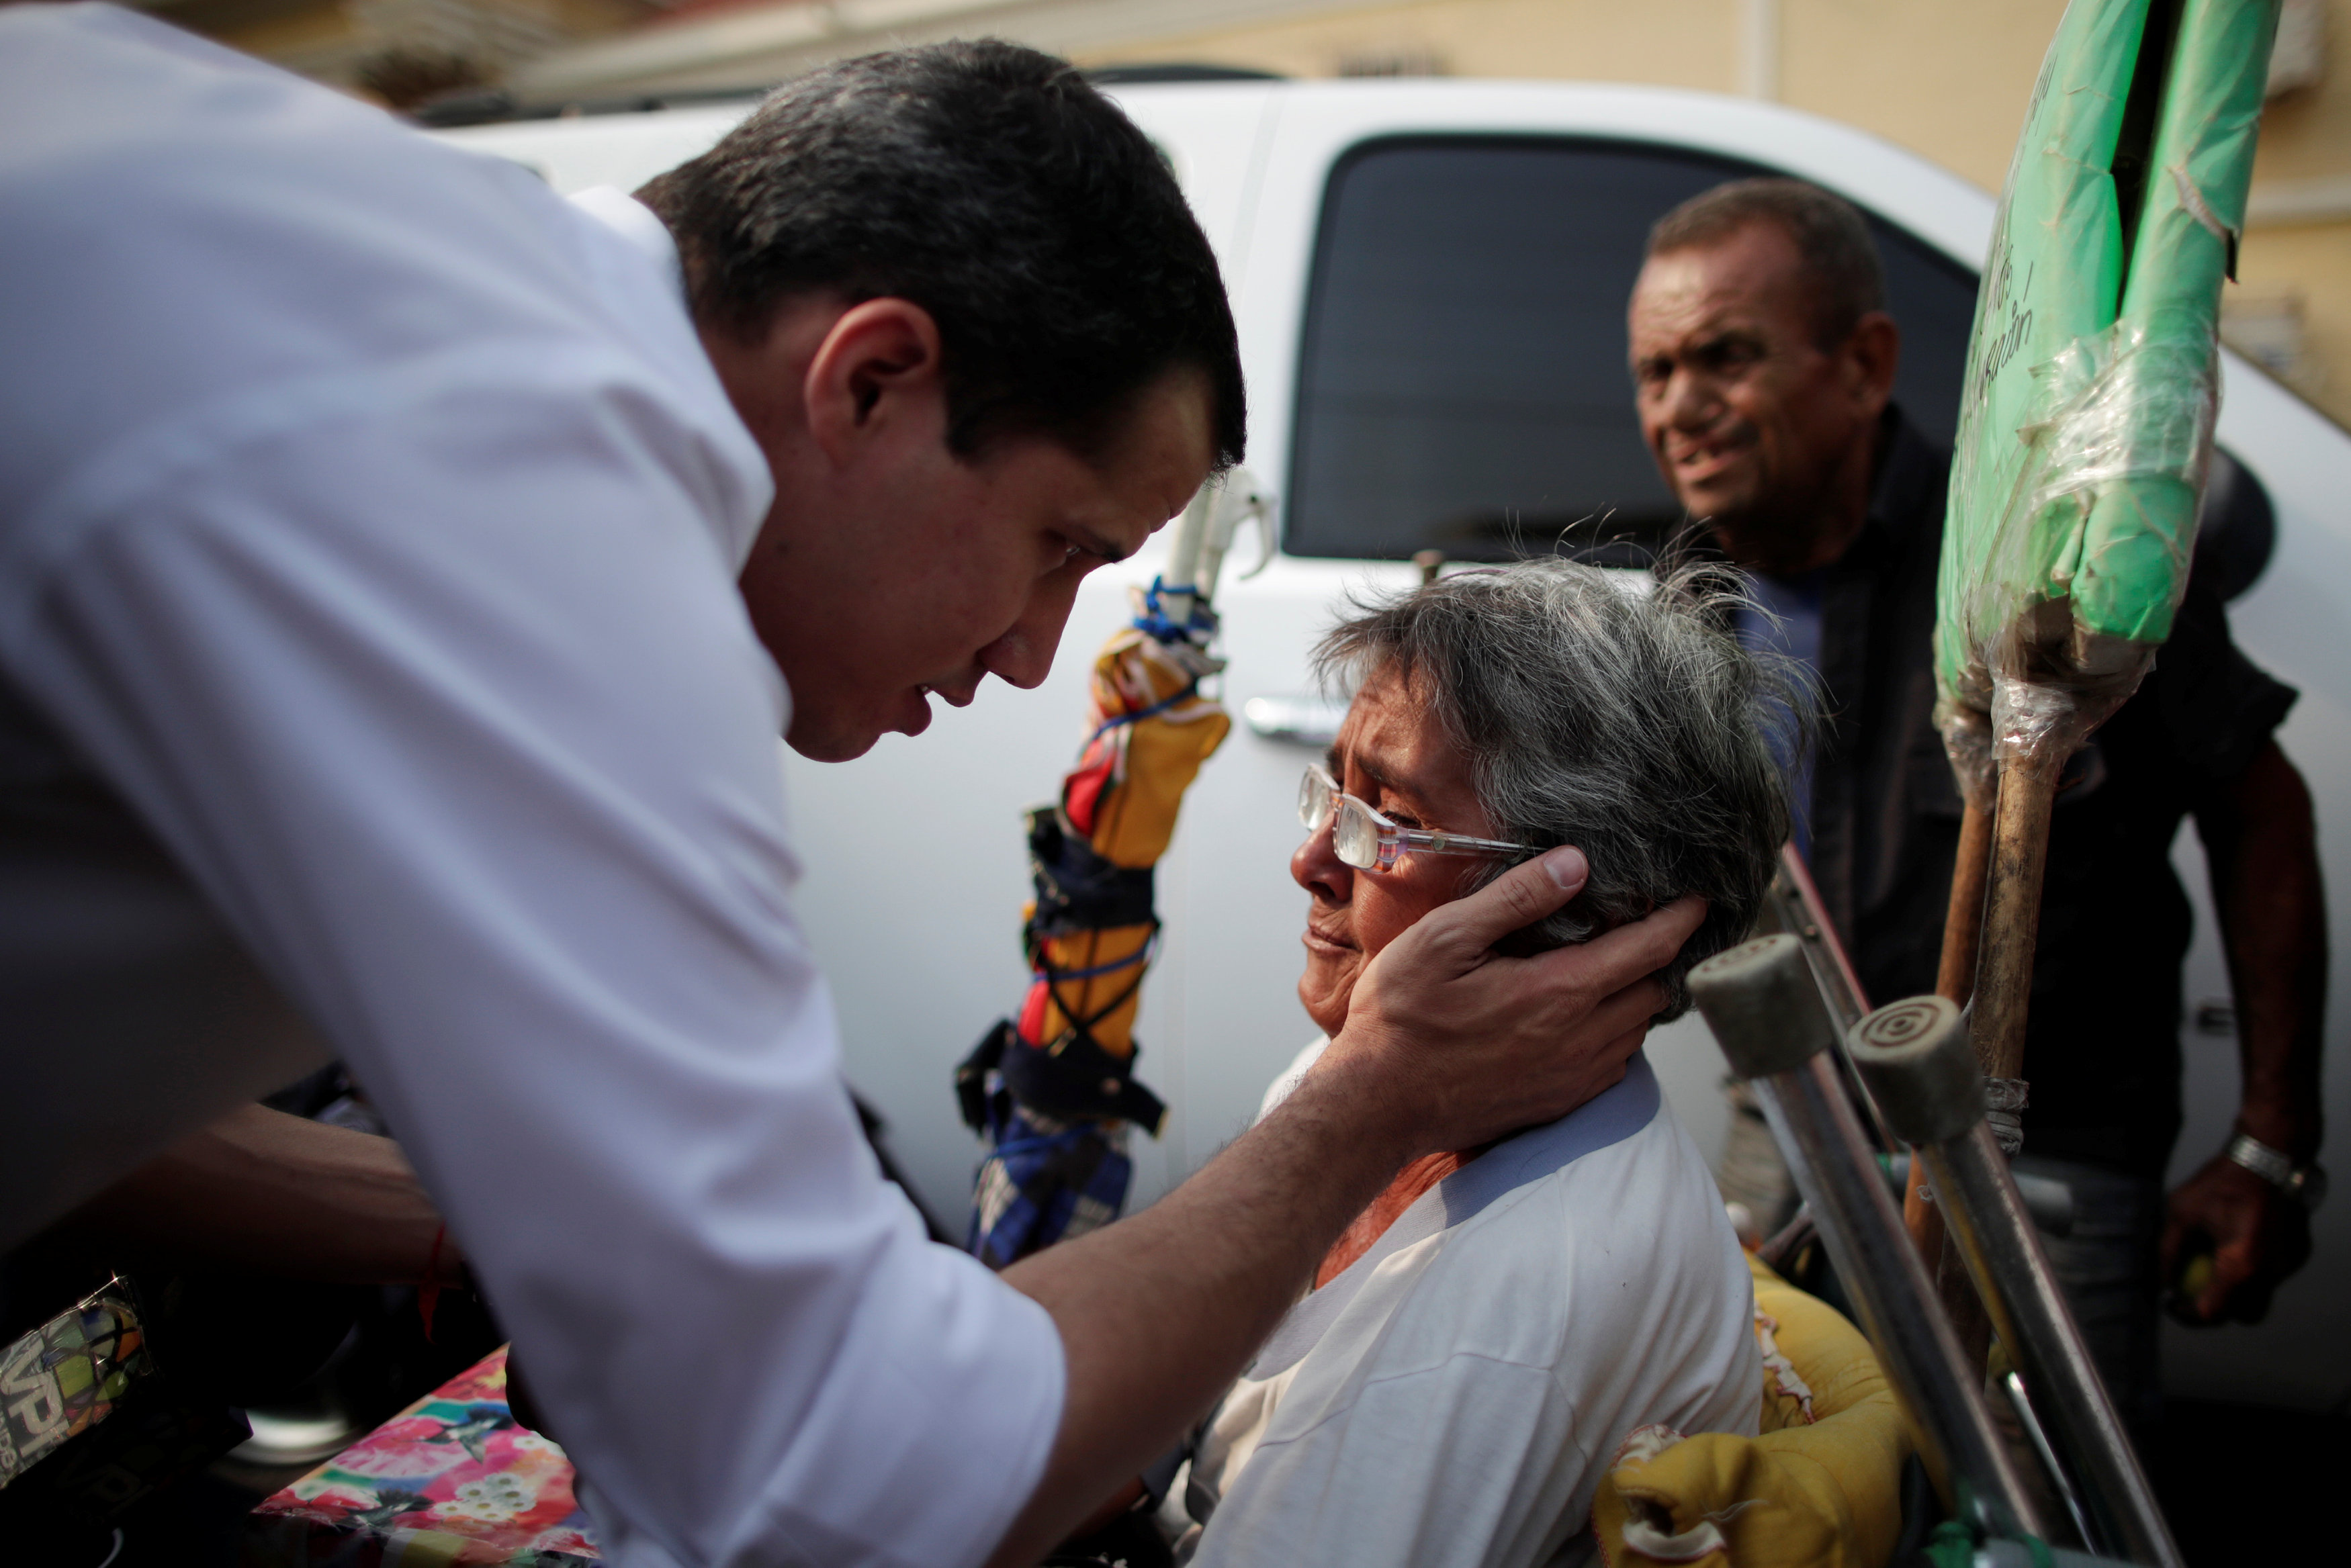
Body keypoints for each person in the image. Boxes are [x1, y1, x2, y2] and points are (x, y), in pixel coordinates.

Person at [0, 10, 1707, 1565]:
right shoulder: (537, 516)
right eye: (1056, 549)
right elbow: (837, 1487)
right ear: (870, 380)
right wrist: (1369, 1103)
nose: (1037, 655)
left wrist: (505, 1205)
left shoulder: (400, 297)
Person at [1624, 177, 2327, 1427]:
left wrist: (2271, 1145)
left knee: (2036, 1523)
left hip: (2036, 1178)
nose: (1681, 409)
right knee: (1796, 1502)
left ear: (1866, 362)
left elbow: (2260, 809)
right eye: (1656, 372)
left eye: (1726, 357)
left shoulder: (2050, 553)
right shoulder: (1688, 607)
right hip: (1781, 1144)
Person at [1172, 560, 1793, 1568]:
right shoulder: (1379, 1076)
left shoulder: (1514, 1307)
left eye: (1390, 820)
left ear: (1584, 919)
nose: (1314, 860)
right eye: (1332, 791)